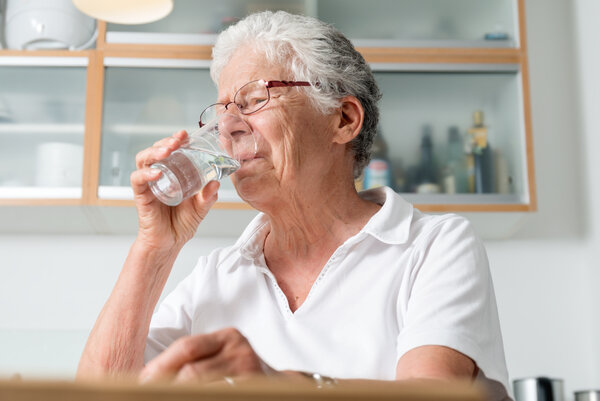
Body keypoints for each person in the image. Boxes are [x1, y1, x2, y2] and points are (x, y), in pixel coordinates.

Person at [77, 10, 511, 401]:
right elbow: (97, 397)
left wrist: (273, 382)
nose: (227, 127)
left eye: (252, 100)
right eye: (224, 109)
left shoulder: (434, 246)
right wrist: (155, 248)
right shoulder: (216, 276)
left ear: (343, 120)